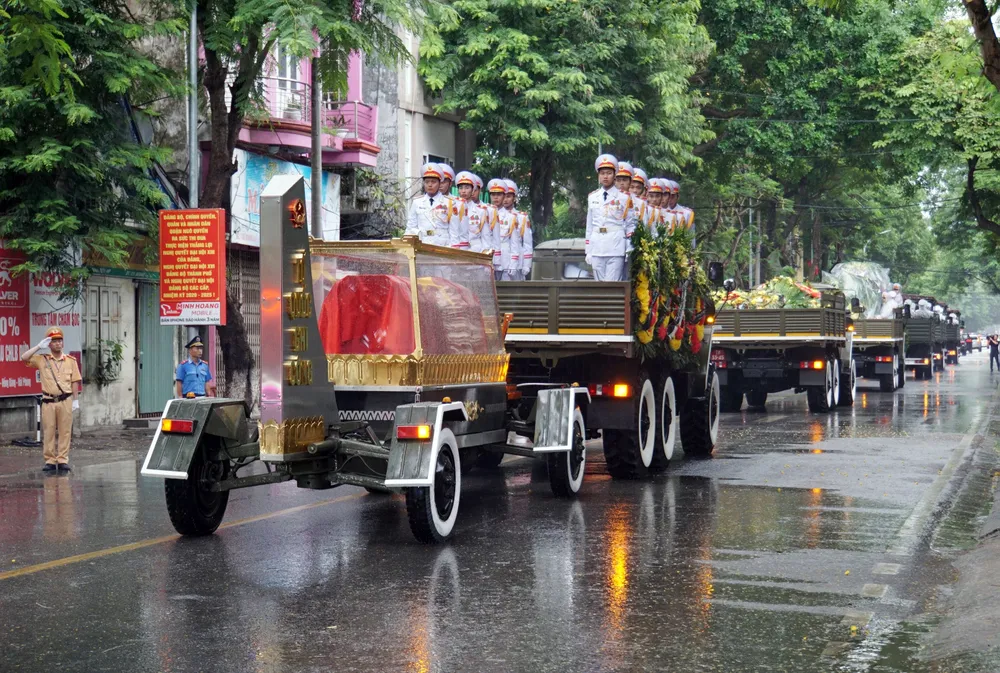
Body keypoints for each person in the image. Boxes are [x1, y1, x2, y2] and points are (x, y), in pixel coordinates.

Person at [21, 327, 82, 472]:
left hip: (65, 400)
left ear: (63, 343)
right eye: (54, 341)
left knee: (65, 431)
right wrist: (37, 347)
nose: (57, 343)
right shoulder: (42, 360)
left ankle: (62, 460)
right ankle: (49, 460)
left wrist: (75, 400)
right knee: (48, 431)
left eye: (60, 340)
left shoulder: (70, 361)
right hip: (48, 401)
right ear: (49, 344)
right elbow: (24, 358)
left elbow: (75, 381)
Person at [586, 153, 637, 281]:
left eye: (609, 173)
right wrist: (588, 249)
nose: (605, 176)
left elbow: (630, 224)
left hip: (615, 246)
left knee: (613, 286)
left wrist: (629, 246)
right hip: (597, 246)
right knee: (599, 288)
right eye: (602, 173)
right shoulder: (592, 197)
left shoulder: (624, 197)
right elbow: (589, 226)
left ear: (614, 175)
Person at [404, 163, 461, 247]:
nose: (430, 185)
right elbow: (410, 227)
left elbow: (454, 232)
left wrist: (454, 251)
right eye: (427, 182)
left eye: (433, 182)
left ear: (439, 183)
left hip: (443, 246)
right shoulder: (417, 202)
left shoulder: (450, 203)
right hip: (422, 244)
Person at [489, 178, 520, 280]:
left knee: (504, 292)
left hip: (504, 261)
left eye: (499, 195)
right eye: (493, 194)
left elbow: (514, 243)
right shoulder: (483, 214)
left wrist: (513, 263)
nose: (496, 198)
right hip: (488, 258)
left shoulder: (511, 217)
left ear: (503, 196)